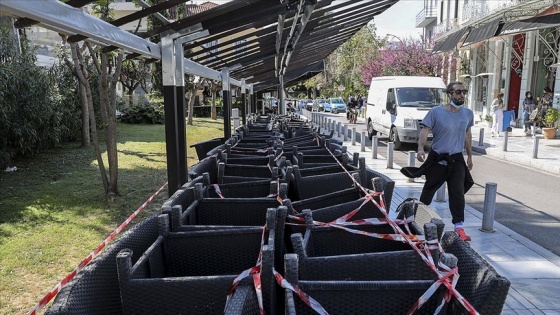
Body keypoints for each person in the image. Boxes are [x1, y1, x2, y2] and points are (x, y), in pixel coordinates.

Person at [400, 81, 474, 242]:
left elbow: (467, 134)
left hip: (456, 159)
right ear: (450, 94)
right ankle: (417, 220)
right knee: (429, 190)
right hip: (438, 158)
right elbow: (425, 130)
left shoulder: (468, 114)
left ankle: (459, 227)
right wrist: (420, 148)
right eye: (458, 92)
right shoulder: (436, 112)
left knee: (457, 193)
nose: (462, 95)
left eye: (464, 92)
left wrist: (469, 155)